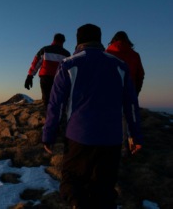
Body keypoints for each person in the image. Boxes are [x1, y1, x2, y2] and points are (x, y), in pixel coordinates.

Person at [42, 24, 143, 208]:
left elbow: (55, 105)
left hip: (78, 137)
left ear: (79, 41)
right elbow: (131, 104)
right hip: (111, 139)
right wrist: (135, 135)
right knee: (104, 189)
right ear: (100, 40)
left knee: (72, 183)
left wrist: (48, 134)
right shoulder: (120, 66)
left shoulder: (69, 64)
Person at [24, 33, 71, 106]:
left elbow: (36, 63)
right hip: (59, 78)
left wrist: (30, 76)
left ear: (54, 40)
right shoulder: (67, 54)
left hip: (45, 78)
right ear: (63, 41)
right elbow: (69, 69)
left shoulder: (45, 49)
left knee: (46, 99)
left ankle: (48, 114)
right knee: (57, 99)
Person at [106, 31, 145, 96]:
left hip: (110, 93)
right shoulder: (135, 55)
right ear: (127, 41)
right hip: (129, 93)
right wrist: (136, 91)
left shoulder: (106, 54)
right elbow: (140, 75)